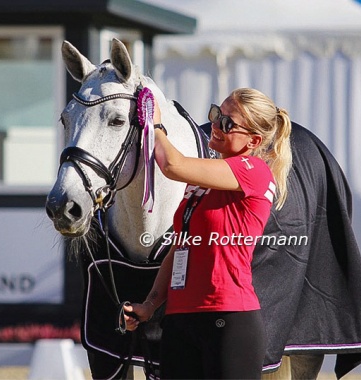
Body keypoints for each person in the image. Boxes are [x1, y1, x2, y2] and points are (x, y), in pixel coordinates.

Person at [124, 87, 292, 379]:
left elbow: (172, 165)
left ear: (253, 140)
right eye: (216, 113)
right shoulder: (206, 180)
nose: (214, 125)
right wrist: (150, 305)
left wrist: (156, 125)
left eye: (227, 123)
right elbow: (180, 248)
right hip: (180, 318)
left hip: (227, 318)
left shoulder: (253, 169)